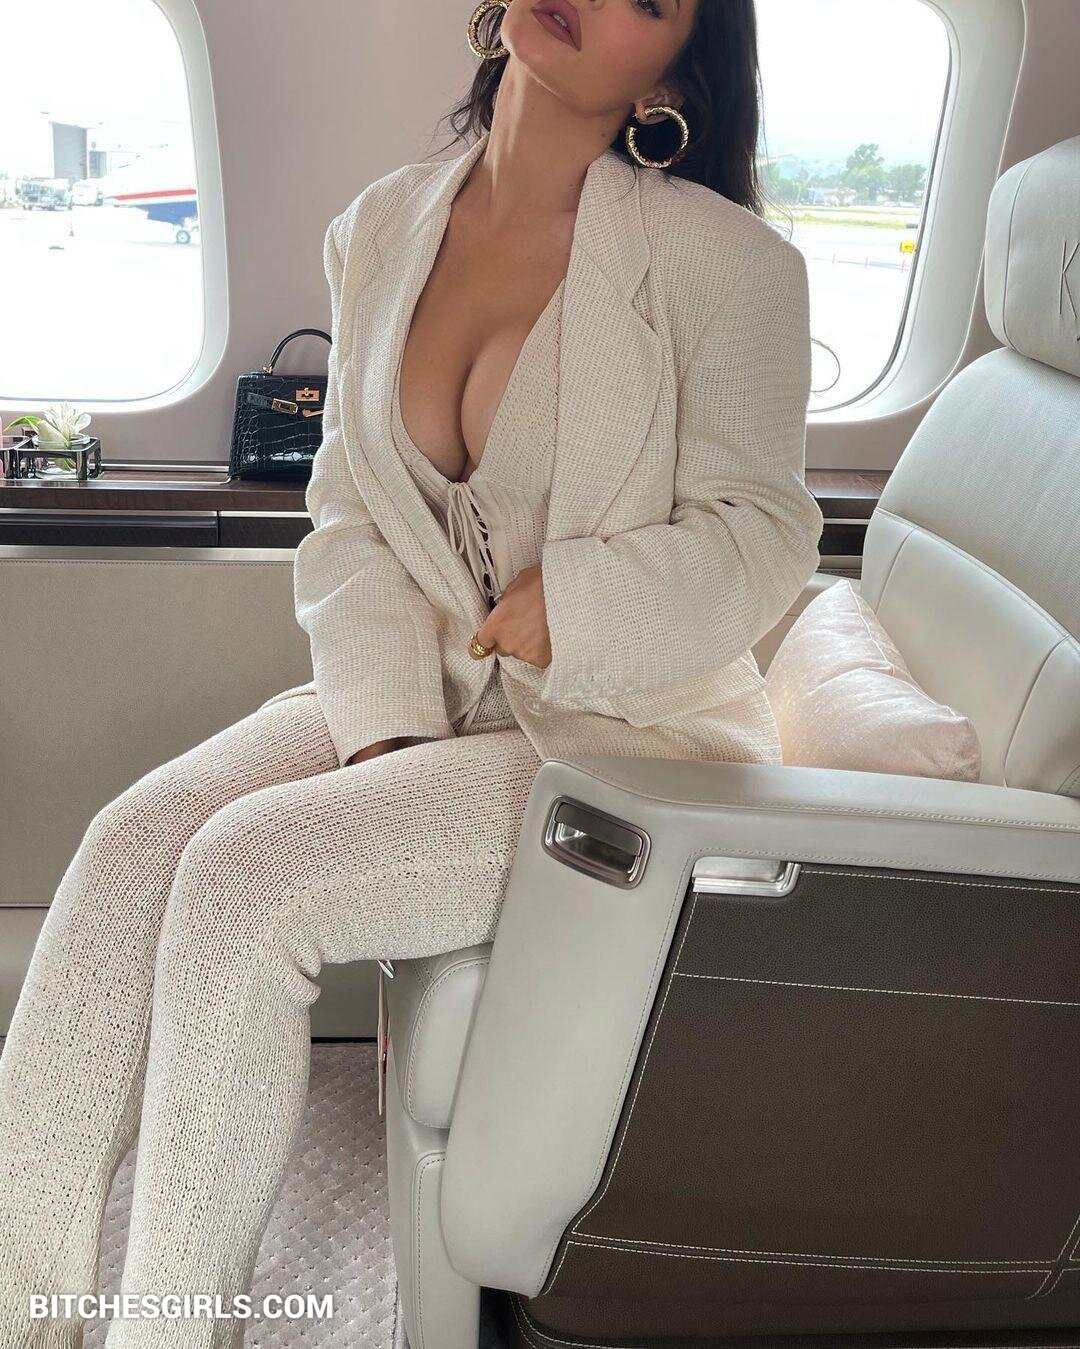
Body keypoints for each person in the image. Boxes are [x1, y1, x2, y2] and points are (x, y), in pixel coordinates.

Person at [0, 0, 824, 1343]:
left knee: (245, 877)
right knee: (131, 839)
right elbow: (354, 514)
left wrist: (582, 602)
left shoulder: (730, 268)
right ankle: (19, 1302)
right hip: (435, 687)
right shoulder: (380, 226)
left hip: (627, 736)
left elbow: (766, 532)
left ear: (671, 77)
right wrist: (383, 728)